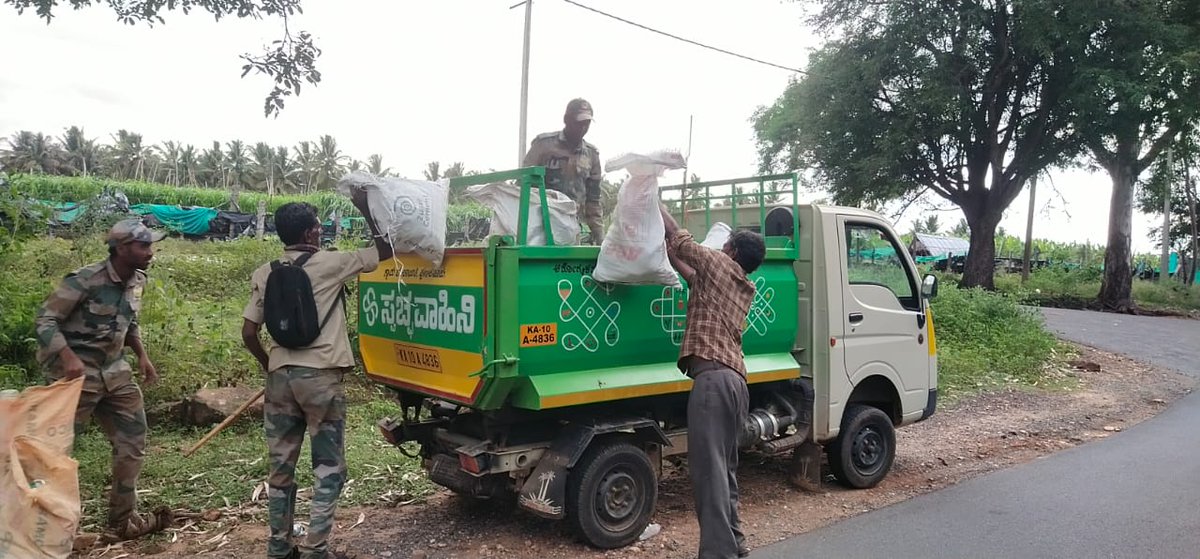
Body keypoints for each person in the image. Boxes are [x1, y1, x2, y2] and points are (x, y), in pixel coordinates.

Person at [241, 191, 392, 559]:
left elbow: (248, 333)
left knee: (281, 469)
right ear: (311, 233)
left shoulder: (265, 272)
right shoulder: (331, 263)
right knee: (328, 468)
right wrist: (364, 207)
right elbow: (385, 251)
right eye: (318, 228)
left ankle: (278, 548)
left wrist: (270, 366)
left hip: (280, 379)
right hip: (321, 379)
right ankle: (315, 549)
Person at [35, 219, 173, 542]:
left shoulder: (137, 279)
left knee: (132, 443)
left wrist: (142, 355)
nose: (151, 252)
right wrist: (68, 357)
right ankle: (49, 528)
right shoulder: (85, 280)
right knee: (56, 455)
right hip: (75, 379)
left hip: (115, 374)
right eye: (144, 246)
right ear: (122, 249)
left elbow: (129, 320)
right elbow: (45, 320)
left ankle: (122, 521)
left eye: (151, 245)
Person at [659, 204, 766, 559]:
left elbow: (683, 239)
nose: (721, 249)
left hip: (714, 383)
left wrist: (650, 195)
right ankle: (735, 542)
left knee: (708, 475)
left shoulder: (721, 265)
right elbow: (691, 273)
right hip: (734, 383)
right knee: (725, 470)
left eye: (725, 245)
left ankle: (718, 553)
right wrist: (669, 254)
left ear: (731, 251)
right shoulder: (738, 284)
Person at [523, 97, 605, 244]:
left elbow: (593, 201)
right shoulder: (544, 146)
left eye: (586, 124)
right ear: (566, 119)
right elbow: (524, 185)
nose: (583, 128)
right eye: (578, 123)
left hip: (571, 228)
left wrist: (600, 238)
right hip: (539, 227)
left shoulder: (591, 155)